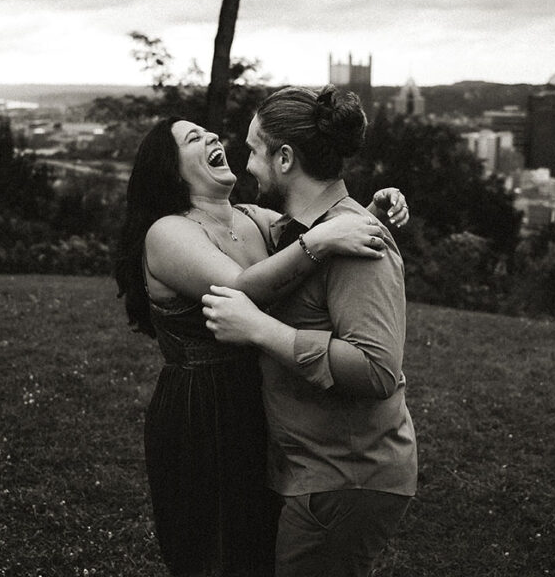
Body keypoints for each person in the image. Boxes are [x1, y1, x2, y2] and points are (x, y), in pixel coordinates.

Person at [115, 114, 408, 577]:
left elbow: (315, 229)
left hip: (259, 398)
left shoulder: (254, 219)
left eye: (207, 130)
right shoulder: (168, 232)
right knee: (212, 549)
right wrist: (320, 240)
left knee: (259, 541)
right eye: (194, 138)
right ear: (172, 170)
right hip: (201, 407)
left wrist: (366, 213)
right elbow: (245, 288)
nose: (213, 135)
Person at [202, 86, 417, 577]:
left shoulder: (360, 243)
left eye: (255, 150)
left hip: (348, 478)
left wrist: (261, 330)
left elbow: (377, 369)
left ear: (284, 158)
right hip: (318, 474)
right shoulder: (303, 233)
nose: (247, 164)